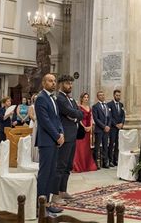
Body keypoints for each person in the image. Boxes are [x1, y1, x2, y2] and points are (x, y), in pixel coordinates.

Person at [35, 73, 65, 215]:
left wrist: (61, 133)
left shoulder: (52, 98)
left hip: (54, 140)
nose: (53, 83)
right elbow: (45, 121)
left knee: (51, 173)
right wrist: (57, 136)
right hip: (46, 141)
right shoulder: (41, 98)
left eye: (54, 81)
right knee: (44, 173)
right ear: (43, 83)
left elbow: (57, 119)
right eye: (50, 81)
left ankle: (47, 203)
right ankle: (40, 206)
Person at [53, 75, 83, 205]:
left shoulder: (70, 98)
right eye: (67, 83)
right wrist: (75, 114)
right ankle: (55, 195)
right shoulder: (60, 99)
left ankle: (63, 190)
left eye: (71, 83)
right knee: (60, 166)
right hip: (65, 135)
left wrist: (75, 115)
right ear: (60, 84)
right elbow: (71, 112)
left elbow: (79, 113)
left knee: (68, 165)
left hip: (73, 134)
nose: (70, 86)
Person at [73, 93, 97, 173]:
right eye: (85, 97)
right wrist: (84, 127)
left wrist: (90, 127)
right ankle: (79, 166)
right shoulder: (79, 107)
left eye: (87, 97)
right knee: (80, 148)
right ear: (82, 98)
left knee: (87, 149)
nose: (86, 99)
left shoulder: (89, 108)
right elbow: (78, 119)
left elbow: (91, 118)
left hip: (88, 130)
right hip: (81, 129)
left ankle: (87, 165)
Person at [92, 91, 111, 169]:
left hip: (107, 130)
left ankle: (105, 162)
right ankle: (96, 163)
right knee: (97, 147)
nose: (102, 96)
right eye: (100, 95)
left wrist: (108, 126)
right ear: (97, 97)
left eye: (103, 95)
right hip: (99, 129)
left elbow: (110, 117)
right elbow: (96, 119)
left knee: (105, 146)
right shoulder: (95, 106)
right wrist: (104, 127)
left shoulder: (107, 106)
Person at [107, 89, 125, 167]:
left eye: (119, 95)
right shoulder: (109, 104)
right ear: (114, 95)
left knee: (118, 144)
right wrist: (115, 124)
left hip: (120, 128)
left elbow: (123, 115)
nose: (118, 97)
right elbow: (110, 116)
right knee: (111, 143)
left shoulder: (121, 105)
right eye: (117, 95)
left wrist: (122, 123)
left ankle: (115, 159)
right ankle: (110, 160)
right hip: (113, 128)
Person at [28, 93, 39, 162]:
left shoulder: (40, 106)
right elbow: (31, 115)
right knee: (34, 138)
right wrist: (36, 120)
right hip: (34, 123)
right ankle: (34, 156)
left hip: (39, 123)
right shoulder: (32, 106)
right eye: (35, 98)